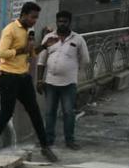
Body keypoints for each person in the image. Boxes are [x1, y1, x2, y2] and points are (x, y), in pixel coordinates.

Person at [0, 2, 59, 162]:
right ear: (23, 15)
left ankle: (45, 147)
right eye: (32, 17)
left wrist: (44, 46)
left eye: (36, 18)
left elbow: (31, 54)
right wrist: (20, 50)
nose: (34, 21)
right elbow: (1, 53)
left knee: (35, 112)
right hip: (9, 77)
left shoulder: (28, 31)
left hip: (23, 77)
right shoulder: (10, 30)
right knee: (5, 114)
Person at [37, 10, 91, 150]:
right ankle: (48, 140)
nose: (62, 24)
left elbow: (85, 60)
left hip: (69, 83)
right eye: (59, 21)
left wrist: (73, 71)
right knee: (49, 113)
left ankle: (70, 140)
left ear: (69, 22)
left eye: (64, 21)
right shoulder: (49, 38)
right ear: (56, 22)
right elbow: (41, 61)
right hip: (50, 82)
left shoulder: (78, 39)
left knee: (68, 112)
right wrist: (39, 80)